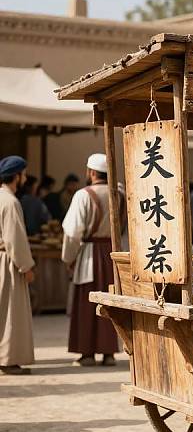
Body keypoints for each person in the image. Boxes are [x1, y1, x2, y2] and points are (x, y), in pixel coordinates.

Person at [61, 154, 120, 367]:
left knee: (86, 304)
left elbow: (72, 232)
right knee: (111, 303)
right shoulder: (119, 192)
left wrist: (68, 257)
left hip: (89, 254)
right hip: (112, 252)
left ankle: (86, 353)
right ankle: (109, 353)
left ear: (92, 172)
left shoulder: (83, 195)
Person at [0, 156, 36, 375]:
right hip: (7, 261)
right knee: (10, 312)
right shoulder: (10, 202)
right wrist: (26, 266)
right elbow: (15, 239)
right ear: (16, 176)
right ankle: (8, 360)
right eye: (23, 174)